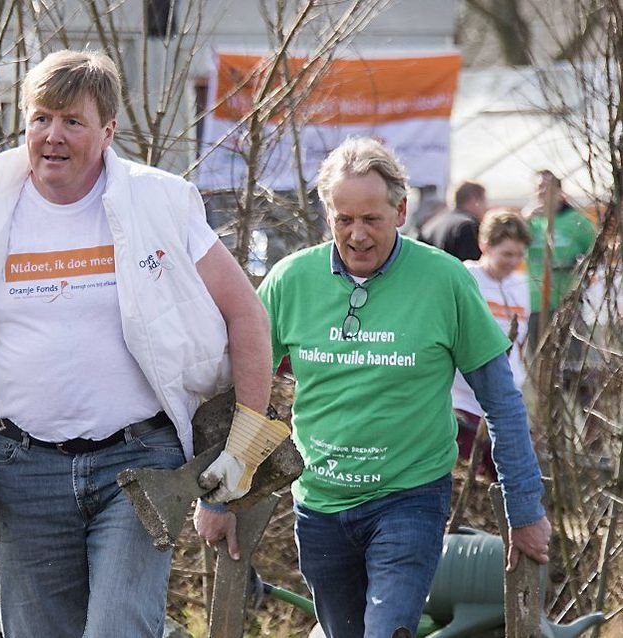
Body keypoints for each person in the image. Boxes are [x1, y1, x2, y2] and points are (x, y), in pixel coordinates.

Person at [0, 49, 277, 638]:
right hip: (27, 469)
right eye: (41, 118)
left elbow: (246, 314)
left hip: (138, 463)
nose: (52, 135)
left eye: (72, 121)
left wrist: (246, 441)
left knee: (119, 626)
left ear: (107, 131)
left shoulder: (157, 202)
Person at [195, 138, 550, 638]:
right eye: (344, 220)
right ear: (327, 215)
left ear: (401, 210)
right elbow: (239, 395)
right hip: (320, 504)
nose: (357, 235)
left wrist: (525, 508)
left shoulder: (444, 282)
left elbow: (501, 401)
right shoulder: (290, 282)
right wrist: (218, 498)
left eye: (371, 220)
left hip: (409, 497)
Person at [450, 209, 531, 479]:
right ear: (485, 245)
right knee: (469, 472)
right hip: (465, 398)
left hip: (506, 395)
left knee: (504, 473)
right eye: (507, 254)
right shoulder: (466, 278)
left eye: (519, 255)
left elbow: (522, 336)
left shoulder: (520, 284)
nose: (514, 262)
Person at [525, 170, 596, 350]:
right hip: (535, 302)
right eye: (538, 188)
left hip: (566, 301)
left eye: (547, 188)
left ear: (559, 192)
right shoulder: (530, 222)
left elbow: (596, 254)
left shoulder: (577, 221)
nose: (542, 193)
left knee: (568, 361)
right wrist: (524, 218)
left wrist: (576, 264)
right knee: (537, 361)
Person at [419, 181, 487, 261]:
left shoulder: (432, 224)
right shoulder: (467, 226)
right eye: (484, 200)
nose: (486, 206)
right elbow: (469, 268)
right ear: (475, 200)